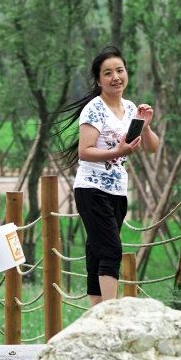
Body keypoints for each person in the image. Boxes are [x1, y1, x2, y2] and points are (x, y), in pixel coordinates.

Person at [57, 45, 159, 307]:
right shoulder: (94, 109)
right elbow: (85, 152)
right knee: (111, 250)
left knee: (96, 252)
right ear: (99, 80)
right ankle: (110, 315)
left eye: (120, 70)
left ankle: (96, 316)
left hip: (117, 191)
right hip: (92, 189)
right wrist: (120, 150)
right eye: (108, 73)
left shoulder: (130, 107)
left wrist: (145, 126)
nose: (116, 77)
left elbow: (151, 147)